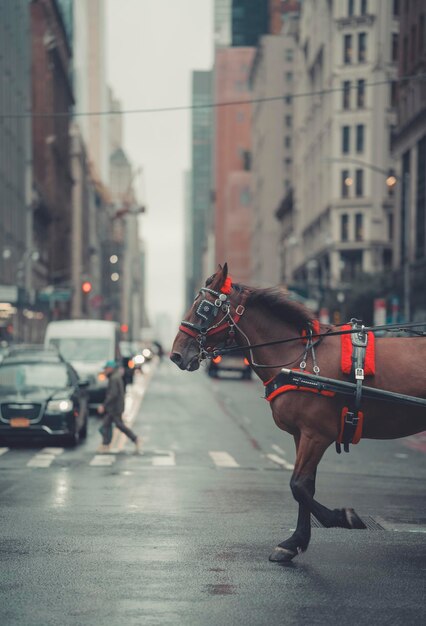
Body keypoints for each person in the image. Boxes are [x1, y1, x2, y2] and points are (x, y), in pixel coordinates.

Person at [97, 360, 142, 454]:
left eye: (106, 368)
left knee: (110, 426)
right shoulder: (115, 376)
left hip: (114, 408)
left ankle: (134, 438)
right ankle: (106, 444)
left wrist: (104, 405)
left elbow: (112, 394)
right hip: (116, 407)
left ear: (111, 368)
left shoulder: (114, 378)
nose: (105, 370)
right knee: (108, 425)